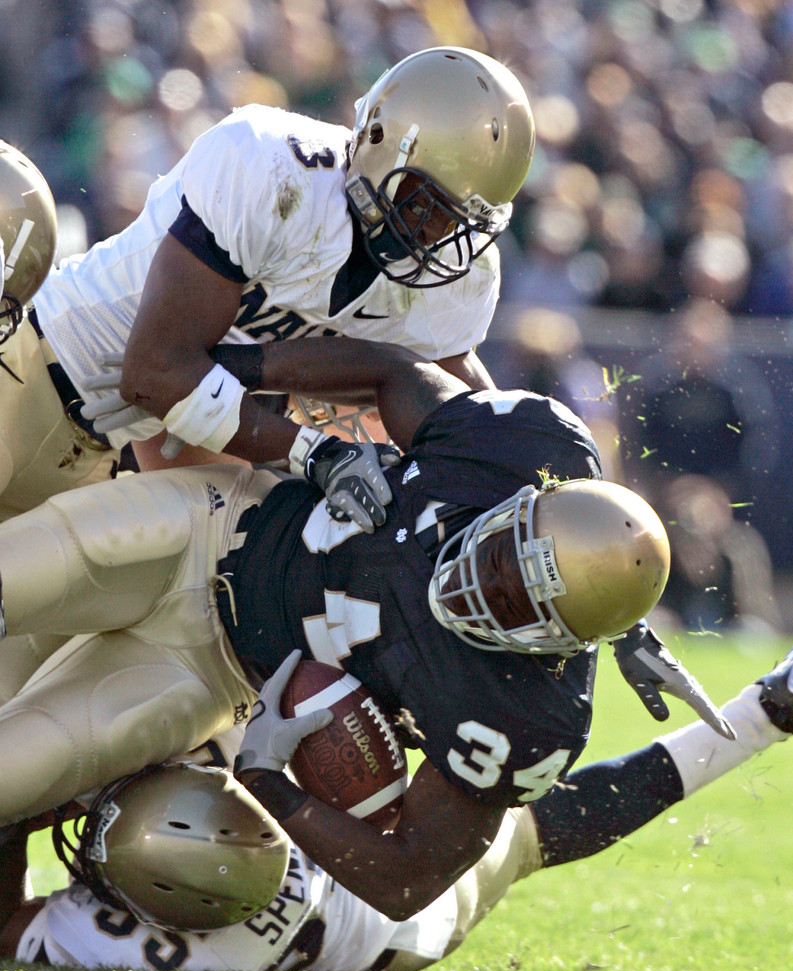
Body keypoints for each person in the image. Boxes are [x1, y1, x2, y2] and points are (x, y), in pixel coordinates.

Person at [0, 335, 731, 920]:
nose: (482, 580)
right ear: (526, 503)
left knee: (12, 774)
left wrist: (269, 785)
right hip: (209, 527)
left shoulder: (524, 719)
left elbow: (406, 882)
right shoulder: (521, 454)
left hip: (212, 673)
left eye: (513, 603)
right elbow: (392, 370)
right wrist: (234, 366)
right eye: (503, 551)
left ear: (556, 643)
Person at [1, 646, 791, 971]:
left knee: (527, 827)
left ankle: (765, 713)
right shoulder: (219, 858)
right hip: (400, 921)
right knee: (522, 830)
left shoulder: (99, 942)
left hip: (350, 902)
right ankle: (764, 713)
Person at [0, 46, 535, 512]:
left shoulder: (460, 279)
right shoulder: (274, 169)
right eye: (427, 205)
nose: (435, 236)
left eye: (462, 222)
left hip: (110, 457)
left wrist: (529, 473)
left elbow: (455, 406)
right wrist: (314, 453)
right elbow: (153, 373)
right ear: (377, 138)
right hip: (30, 372)